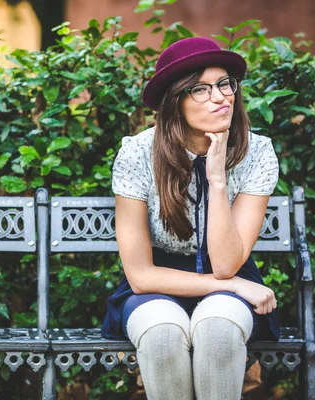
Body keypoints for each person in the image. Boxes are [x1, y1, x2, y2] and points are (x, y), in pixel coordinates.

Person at [101, 37, 281, 400]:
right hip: (156, 285)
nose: (220, 97)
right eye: (200, 89)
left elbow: (228, 264)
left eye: (225, 83)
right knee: (162, 332)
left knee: (218, 327)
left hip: (229, 272)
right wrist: (233, 286)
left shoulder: (257, 152)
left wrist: (217, 181)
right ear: (175, 101)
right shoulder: (137, 154)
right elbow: (140, 276)